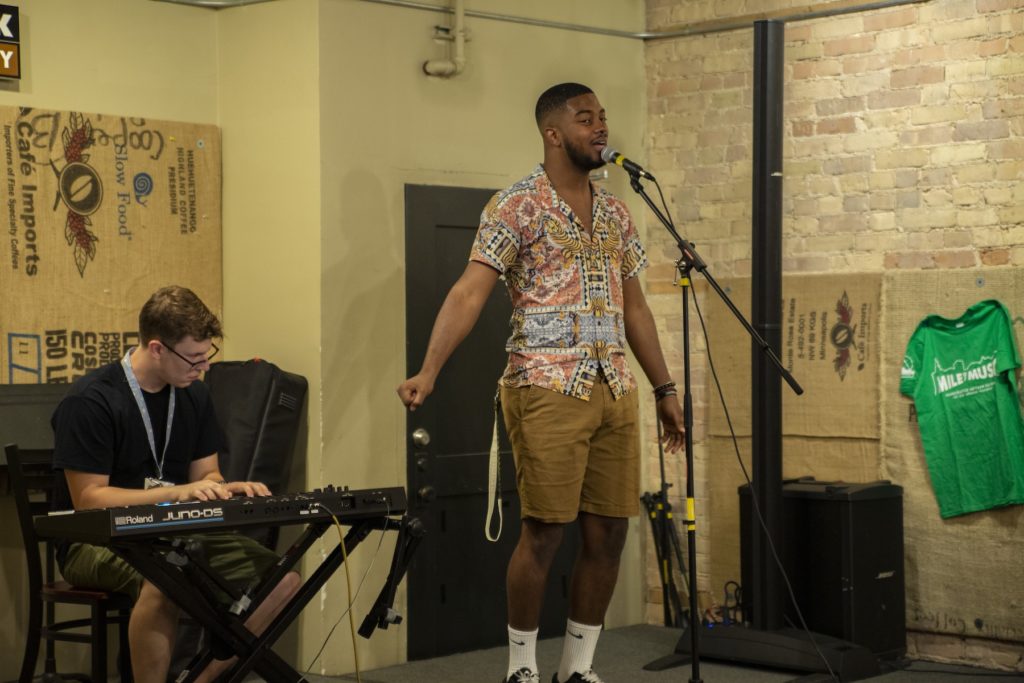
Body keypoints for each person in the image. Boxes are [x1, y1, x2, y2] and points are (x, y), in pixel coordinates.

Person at [397, 83, 686, 683]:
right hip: (545, 383)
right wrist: (429, 369)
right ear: (553, 133)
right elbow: (468, 292)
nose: (601, 128)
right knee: (546, 531)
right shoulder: (516, 205)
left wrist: (664, 389)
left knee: (609, 531)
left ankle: (577, 669)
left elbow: (636, 309)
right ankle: (521, 669)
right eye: (586, 120)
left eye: (603, 118)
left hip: (614, 385)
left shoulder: (615, 210)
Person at [51, 285, 301, 683]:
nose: (202, 367)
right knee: (166, 577)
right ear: (157, 349)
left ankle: (198, 681)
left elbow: (207, 474)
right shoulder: (91, 400)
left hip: (173, 531)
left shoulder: (194, 396)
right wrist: (175, 492)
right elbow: (89, 500)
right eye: (194, 357)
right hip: (96, 540)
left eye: (208, 356)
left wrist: (222, 488)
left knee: (283, 582)